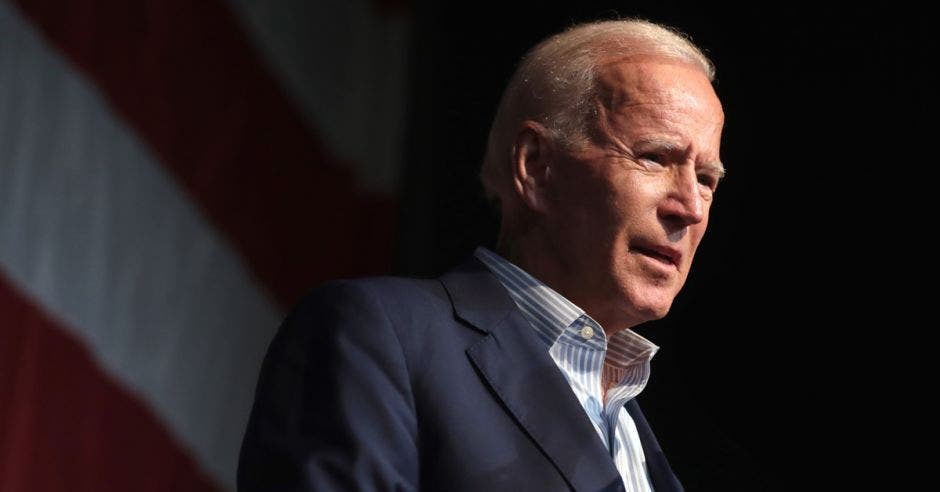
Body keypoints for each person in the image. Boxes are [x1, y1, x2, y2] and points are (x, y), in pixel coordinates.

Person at [238, 18, 724, 492]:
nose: (690, 207)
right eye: (655, 158)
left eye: (706, 178)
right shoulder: (381, 336)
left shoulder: (637, 436)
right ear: (535, 166)